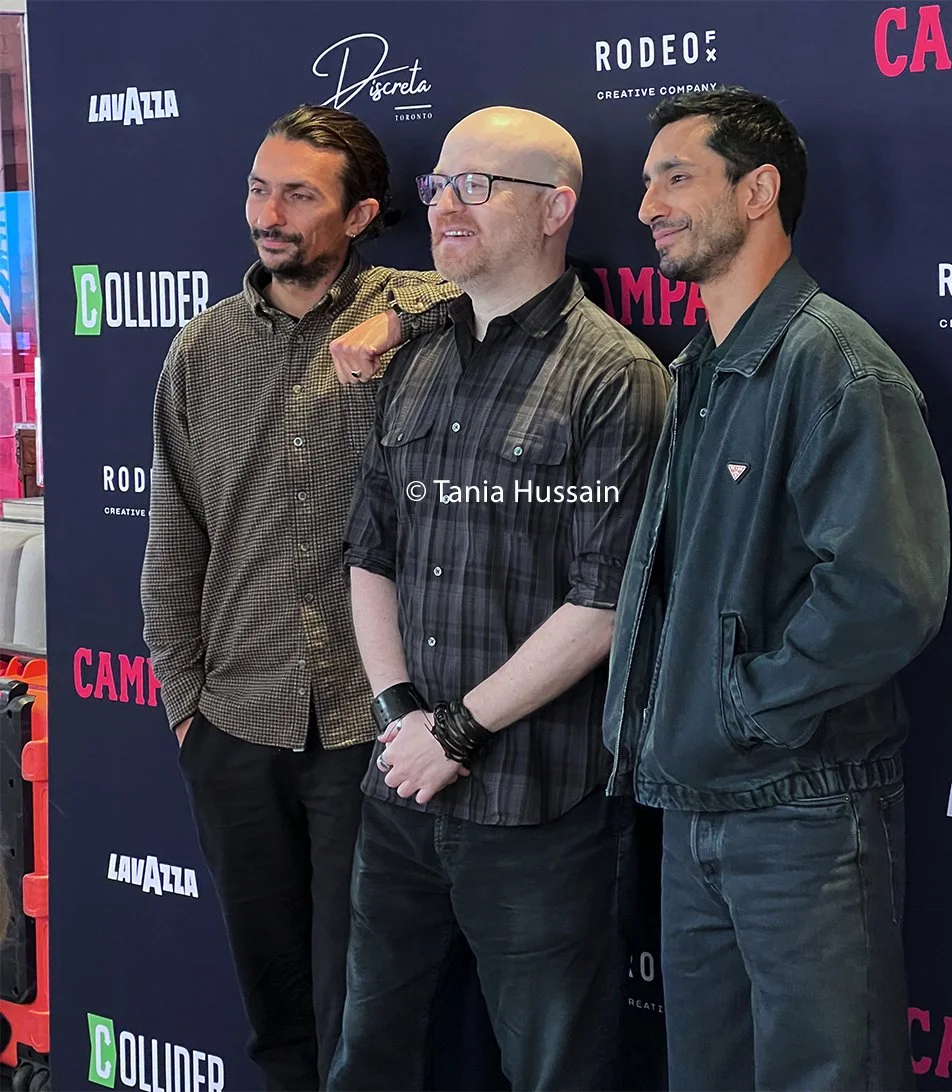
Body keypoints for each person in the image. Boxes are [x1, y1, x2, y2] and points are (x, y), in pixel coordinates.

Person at [603, 87, 951, 1091]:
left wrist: (738, 712)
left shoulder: (833, 364)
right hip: (694, 807)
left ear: (757, 192)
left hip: (803, 812)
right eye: (647, 182)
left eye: (676, 178)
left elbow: (886, 594)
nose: (647, 206)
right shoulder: (699, 367)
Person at [330, 106, 668, 1091]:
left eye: (477, 187)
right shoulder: (414, 358)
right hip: (401, 785)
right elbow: (370, 552)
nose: (447, 207)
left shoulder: (616, 377)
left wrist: (457, 731)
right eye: (439, 186)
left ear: (556, 209)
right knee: (370, 1056)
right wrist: (399, 714)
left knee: (556, 1069)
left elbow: (606, 603)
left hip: (541, 806)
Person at [140, 104, 458, 1092]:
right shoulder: (201, 349)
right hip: (235, 724)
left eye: (297, 196)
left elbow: (508, 287)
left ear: (360, 216)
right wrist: (186, 709)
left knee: (366, 1017)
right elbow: (174, 540)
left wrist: (397, 321)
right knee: (276, 1017)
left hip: (374, 729)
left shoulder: (414, 312)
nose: (267, 215)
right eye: (257, 189)